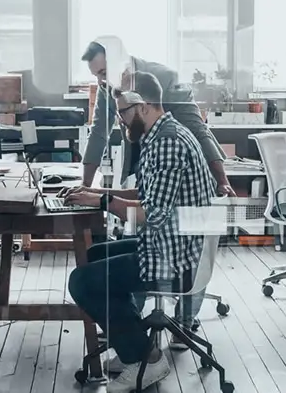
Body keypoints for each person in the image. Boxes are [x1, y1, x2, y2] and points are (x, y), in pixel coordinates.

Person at [65, 72, 214, 393]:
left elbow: (150, 214)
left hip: (177, 259)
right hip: (178, 245)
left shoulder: (167, 144)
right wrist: (95, 194)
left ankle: (144, 358)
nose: (119, 120)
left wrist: (104, 200)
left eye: (122, 112)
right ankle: (132, 343)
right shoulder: (165, 134)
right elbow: (151, 196)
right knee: (94, 256)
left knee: (83, 281)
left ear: (143, 106)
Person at [80, 37, 232, 196]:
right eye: (95, 75)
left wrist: (222, 181)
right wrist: (85, 187)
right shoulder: (106, 86)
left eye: (103, 73)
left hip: (179, 162)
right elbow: (99, 133)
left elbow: (197, 129)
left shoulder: (165, 78)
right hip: (145, 161)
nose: (100, 82)